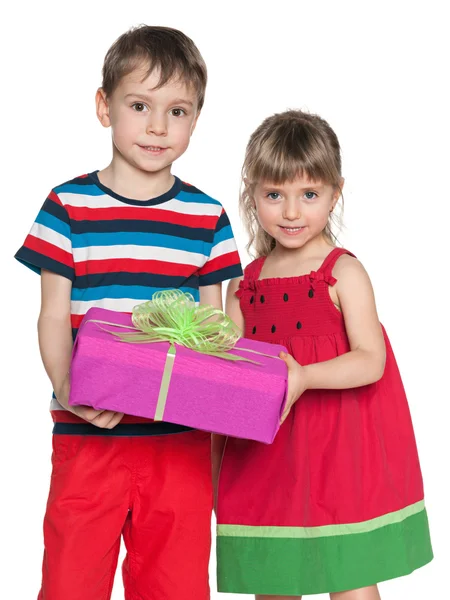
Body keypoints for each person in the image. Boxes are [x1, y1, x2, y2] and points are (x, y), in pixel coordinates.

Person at [15, 25, 242, 600]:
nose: (158, 126)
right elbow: (50, 315)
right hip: (88, 435)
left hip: (179, 442)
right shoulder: (68, 205)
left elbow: (217, 332)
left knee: (176, 586)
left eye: (178, 110)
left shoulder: (207, 217)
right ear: (104, 107)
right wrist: (68, 387)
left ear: (197, 119)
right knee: (72, 582)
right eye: (139, 105)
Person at [215, 109, 432, 599]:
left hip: (337, 453)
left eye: (308, 195)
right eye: (275, 195)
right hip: (265, 458)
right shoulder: (244, 285)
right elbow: (227, 373)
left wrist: (304, 376)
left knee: (349, 578)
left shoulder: (342, 273)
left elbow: (370, 359)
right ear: (253, 194)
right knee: (273, 578)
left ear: (335, 193)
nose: (291, 213)